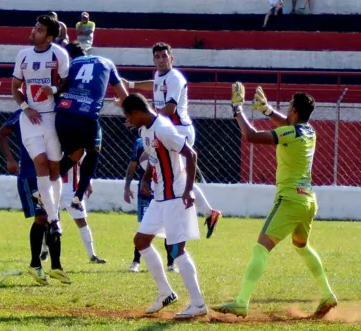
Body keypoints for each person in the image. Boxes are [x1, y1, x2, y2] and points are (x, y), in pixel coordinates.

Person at [214, 87, 337, 318]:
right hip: (308, 200)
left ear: (294, 110)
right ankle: (327, 293)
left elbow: (250, 136)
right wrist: (267, 110)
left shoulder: (289, 134)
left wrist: (237, 109)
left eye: (289, 105)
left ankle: (241, 301)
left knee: (261, 247)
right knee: (301, 245)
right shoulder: (310, 131)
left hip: (289, 198)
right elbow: (288, 125)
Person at [122, 43, 224, 236]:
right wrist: (132, 85)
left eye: (164, 56)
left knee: (165, 169)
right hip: (166, 130)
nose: (161, 60)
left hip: (179, 130)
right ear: (154, 60)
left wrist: (144, 117)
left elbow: (170, 110)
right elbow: (154, 84)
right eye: (157, 57)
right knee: (165, 169)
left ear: (171, 58)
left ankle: (182, 207)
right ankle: (209, 212)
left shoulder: (175, 77)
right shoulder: (159, 76)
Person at [120, 94, 206, 319]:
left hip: (175, 196)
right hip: (160, 198)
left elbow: (191, 154)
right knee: (141, 241)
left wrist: (188, 190)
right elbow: (155, 157)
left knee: (177, 250)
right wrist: (147, 178)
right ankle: (165, 293)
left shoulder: (164, 129)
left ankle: (198, 304)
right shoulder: (145, 130)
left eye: (128, 116)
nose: (128, 121)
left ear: (137, 112)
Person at [12, 14, 71, 265]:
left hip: (51, 117)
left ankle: (53, 214)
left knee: (55, 168)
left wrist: (55, 90)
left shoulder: (59, 54)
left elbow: (68, 83)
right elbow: (15, 87)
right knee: (40, 165)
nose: (33, 31)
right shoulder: (23, 55)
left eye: (38, 30)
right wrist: (26, 107)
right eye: (34, 27)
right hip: (31, 119)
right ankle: (55, 220)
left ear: (49, 36)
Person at [53, 42, 129, 211]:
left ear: (69, 57)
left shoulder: (70, 64)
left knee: (74, 154)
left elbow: (58, 88)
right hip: (86, 117)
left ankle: (47, 183)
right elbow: (124, 95)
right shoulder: (106, 62)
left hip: (63, 116)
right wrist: (128, 113)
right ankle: (78, 197)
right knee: (93, 151)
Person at [0, 111, 57, 282]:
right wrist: (10, 160)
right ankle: (35, 264)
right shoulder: (21, 114)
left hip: (50, 175)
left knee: (51, 218)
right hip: (30, 175)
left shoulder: (56, 111)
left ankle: (54, 265)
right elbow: (1, 134)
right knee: (41, 217)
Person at [124, 135, 176, 273]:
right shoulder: (139, 142)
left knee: (170, 227)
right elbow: (133, 164)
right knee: (145, 227)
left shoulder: (170, 138)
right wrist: (127, 186)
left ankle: (171, 264)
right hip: (147, 192)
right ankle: (136, 262)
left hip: (167, 193)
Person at [59, 155, 106, 264]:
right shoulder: (53, 144)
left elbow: (85, 166)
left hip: (72, 190)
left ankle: (92, 255)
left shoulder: (78, 147)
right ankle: (44, 251)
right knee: (48, 220)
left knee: (81, 220)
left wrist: (88, 183)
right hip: (54, 187)